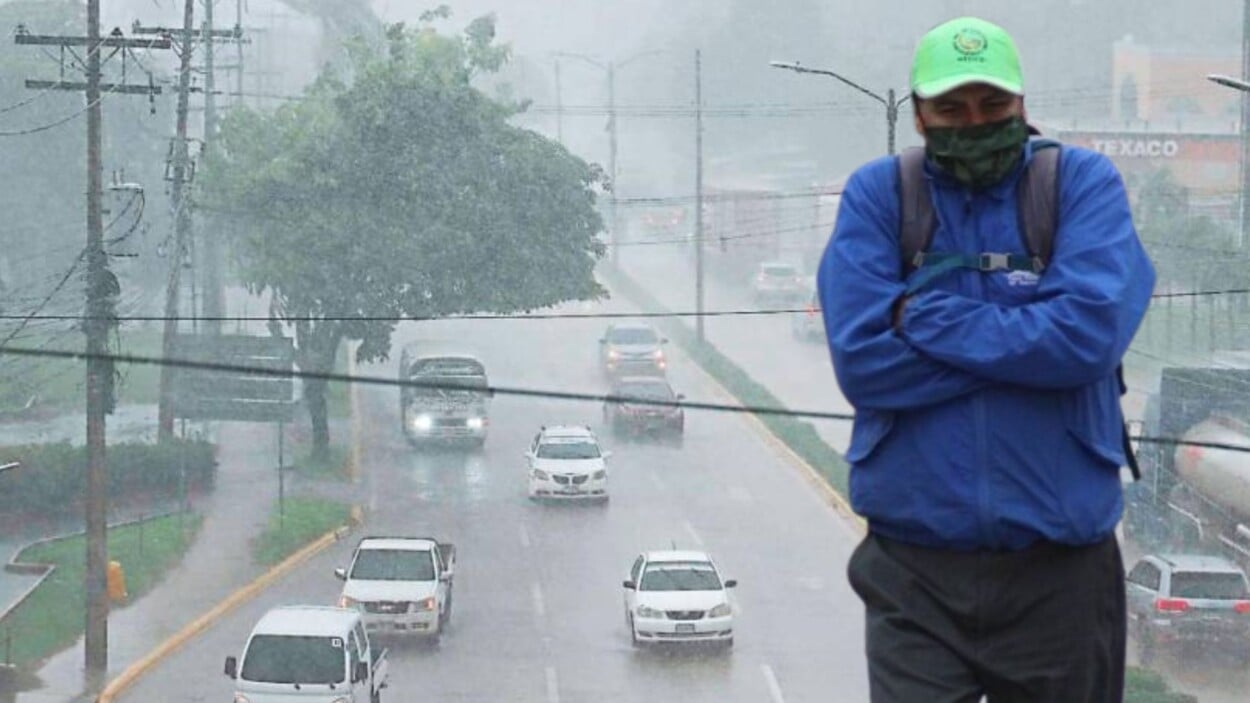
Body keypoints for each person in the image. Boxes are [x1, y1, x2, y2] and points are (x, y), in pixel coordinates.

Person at [817, 16, 1156, 703]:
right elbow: (864, 362)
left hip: (1061, 573)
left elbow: (1086, 339)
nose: (974, 122)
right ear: (919, 115)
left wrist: (920, 315)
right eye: (952, 108)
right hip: (913, 574)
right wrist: (1029, 342)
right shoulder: (880, 196)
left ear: (1022, 103)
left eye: (992, 104)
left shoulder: (1081, 185)